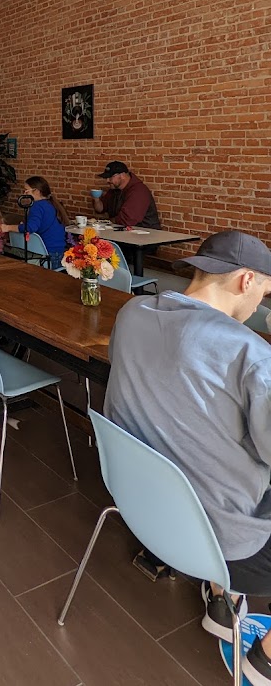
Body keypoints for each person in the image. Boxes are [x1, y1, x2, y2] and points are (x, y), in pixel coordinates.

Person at [104, 231, 271, 682]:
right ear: (246, 279)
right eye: (264, 291)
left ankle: (221, 601)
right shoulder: (251, 354)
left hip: (140, 508)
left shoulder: (132, 312)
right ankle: (265, 662)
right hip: (225, 544)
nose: (260, 303)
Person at [1, 176, 71, 269]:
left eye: (27, 191)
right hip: (59, 253)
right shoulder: (52, 204)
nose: (24, 193)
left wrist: (7, 228)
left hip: (47, 255)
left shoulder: (37, 206)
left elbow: (30, 228)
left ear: (37, 191)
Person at [92, 161, 160, 228]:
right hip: (124, 231)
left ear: (122, 175)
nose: (107, 180)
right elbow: (101, 209)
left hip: (145, 232)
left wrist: (107, 222)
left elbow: (128, 220)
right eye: (106, 178)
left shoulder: (138, 191)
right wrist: (96, 198)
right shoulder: (114, 189)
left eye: (110, 177)